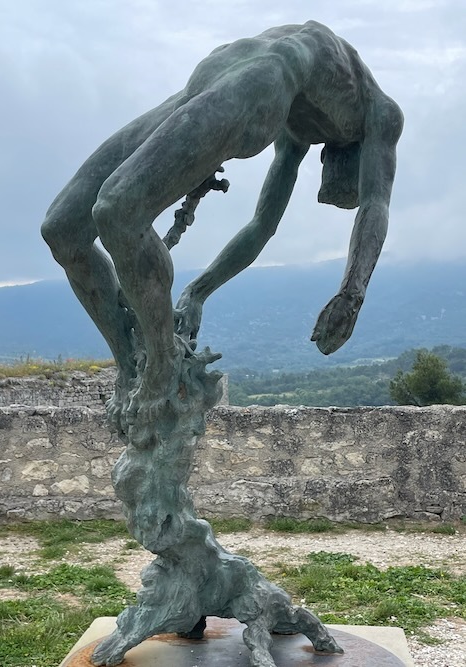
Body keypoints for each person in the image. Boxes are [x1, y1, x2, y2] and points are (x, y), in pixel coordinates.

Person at [41, 20, 403, 419]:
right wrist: (352, 295)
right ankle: (153, 368)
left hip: (219, 70)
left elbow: (262, 226)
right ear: (353, 160)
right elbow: (375, 206)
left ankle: (140, 369)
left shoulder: (303, 123)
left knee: (84, 223)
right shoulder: (379, 114)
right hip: (250, 81)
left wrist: (197, 292)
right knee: (80, 226)